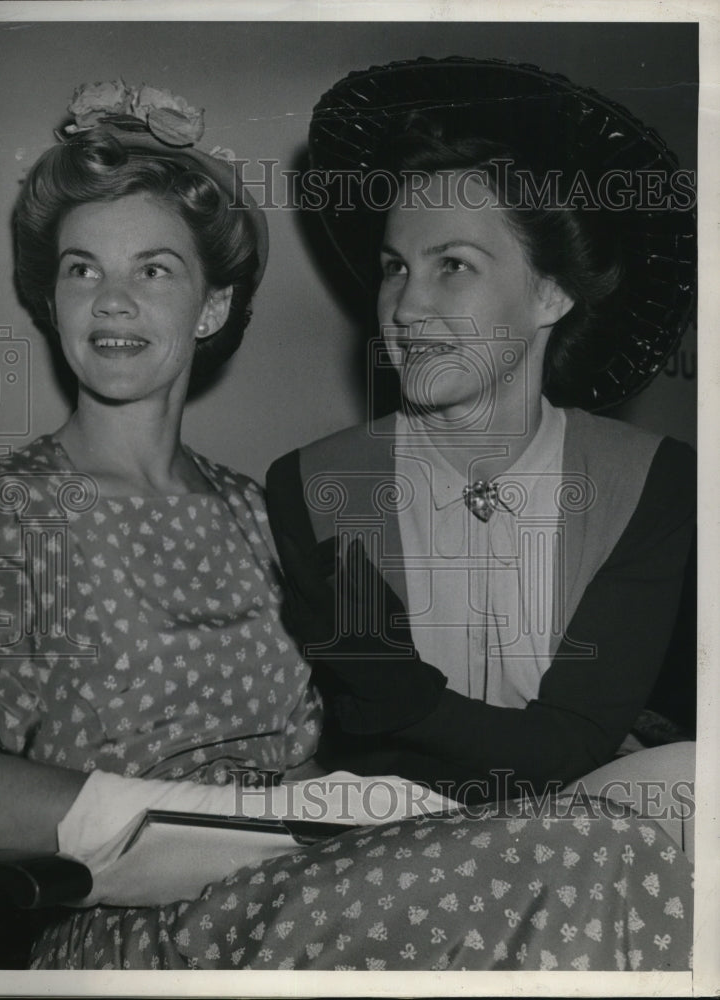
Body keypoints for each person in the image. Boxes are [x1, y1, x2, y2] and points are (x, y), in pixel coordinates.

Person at [0, 76, 693, 972]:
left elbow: (361, 734)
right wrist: (233, 829)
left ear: (215, 306)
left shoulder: (260, 512)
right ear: (50, 301)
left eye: (153, 269)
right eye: (82, 269)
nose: (111, 300)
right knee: (596, 857)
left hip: (317, 881)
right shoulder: (5, 510)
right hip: (135, 924)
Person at [266, 59, 697, 854]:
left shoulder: (652, 482)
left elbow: (571, 744)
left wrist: (406, 699)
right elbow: (373, 759)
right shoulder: (319, 485)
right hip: (385, 851)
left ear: (550, 295)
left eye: (452, 265)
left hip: (587, 841)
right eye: (395, 266)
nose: (407, 305)